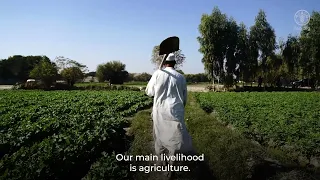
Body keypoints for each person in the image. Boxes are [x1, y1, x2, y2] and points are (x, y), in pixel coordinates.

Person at [145, 53, 193, 174]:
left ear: (164, 63)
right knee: (175, 138)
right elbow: (184, 98)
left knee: (159, 136)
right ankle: (172, 167)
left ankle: (161, 161)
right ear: (175, 63)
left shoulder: (157, 74)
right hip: (176, 112)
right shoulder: (181, 77)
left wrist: (155, 77)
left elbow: (149, 92)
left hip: (160, 111)